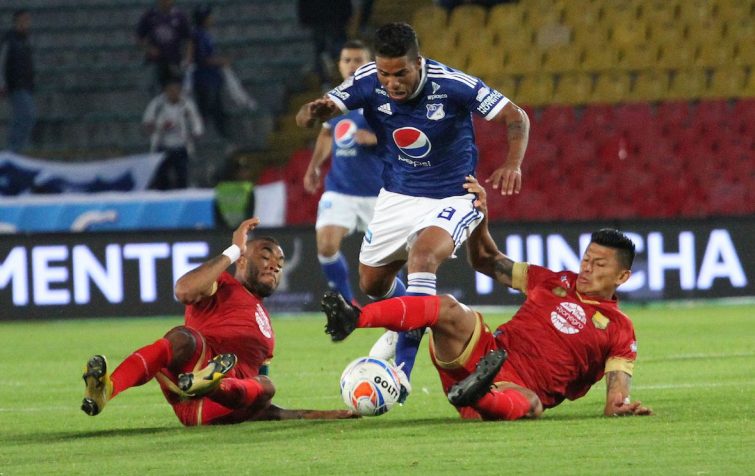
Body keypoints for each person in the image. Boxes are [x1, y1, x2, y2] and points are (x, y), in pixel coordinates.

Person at [296, 22, 530, 390]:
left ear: (418, 62)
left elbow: (516, 116)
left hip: (453, 194)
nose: (392, 83)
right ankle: (405, 315)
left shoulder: (453, 84)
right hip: (396, 196)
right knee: (373, 282)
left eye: (401, 73)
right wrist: (312, 113)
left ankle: (401, 374)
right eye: (385, 74)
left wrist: (512, 163)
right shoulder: (366, 80)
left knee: (423, 258)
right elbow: (313, 114)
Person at [321, 176, 653, 420]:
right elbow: (486, 260)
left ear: (622, 276)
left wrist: (623, 406)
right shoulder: (553, 281)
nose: (586, 268)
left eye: (599, 264)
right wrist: (479, 213)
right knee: (449, 307)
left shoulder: (619, 329)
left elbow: (616, 400)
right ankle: (356, 318)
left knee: (531, 405)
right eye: (586, 259)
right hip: (485, 354)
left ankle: (480, 395)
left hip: (518, 389)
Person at [82, 217, 357, 425]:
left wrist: (319, 414)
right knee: (183, 337)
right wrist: (234, 250)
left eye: (280, 263)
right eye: (265, 256)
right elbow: (184, 291)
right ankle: (107, 388)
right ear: (241, 261)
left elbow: (260, 403)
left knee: (266, 385)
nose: (274, 265)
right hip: (185, 383)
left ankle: (214, 383)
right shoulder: (220, 283)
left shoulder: (267, 328)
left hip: (219, 406)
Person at [303, 40, 392, 308]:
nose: (352, 65)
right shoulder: (335, 99)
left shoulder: (383, 96)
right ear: (340, 65)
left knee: (387, 262)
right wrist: (314, 166)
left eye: (358, 60)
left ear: (370, 65)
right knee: (326, 246)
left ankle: (396, 310)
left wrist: (376, 137)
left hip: (378, 192)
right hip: (340, 189)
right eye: (347, 60)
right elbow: (327, 133)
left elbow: (404, 136)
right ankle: (346, 302)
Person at [142, 75, 203, 190]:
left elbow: (196, 122)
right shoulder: (157, 104)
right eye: (171, 90)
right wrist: (161, 126)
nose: (174, 93)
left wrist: (195, 133)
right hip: (162, 145)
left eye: (177, 90)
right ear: (166, 91)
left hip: (181, 145)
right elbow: (147, 124)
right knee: (161, 177)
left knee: (182, 176)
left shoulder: (187, 104)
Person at [136, 0, 192, 94]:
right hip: (155, 61)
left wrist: (188, 57)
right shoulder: (149, 16)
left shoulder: (180, 16)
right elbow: (139, 37)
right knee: (155, 91)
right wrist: (148, 48)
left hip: (174, 61)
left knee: (175, 91)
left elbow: (189, 39)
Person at [191, 4, 229, 140]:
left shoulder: (204, 34)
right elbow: (202, 59)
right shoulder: (198, 35)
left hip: (211, 78)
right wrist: (220, 61)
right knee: (209, 109)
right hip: (205, 79)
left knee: (214, 109)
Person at [0, 9, 35, 153]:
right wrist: (1, 83)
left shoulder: (24, 41)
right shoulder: (9, 39)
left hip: (25, 85)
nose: (26, 23)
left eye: (28, 20)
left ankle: (15, 151)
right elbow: (1, 61)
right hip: (15, 85)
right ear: (16, 22)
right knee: (26, 116)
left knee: (25, 117)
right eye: (23, 20)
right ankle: (12, 151)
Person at [297, 0, 352, 91]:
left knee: (322, 50)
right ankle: (335, 78)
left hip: (319, 17)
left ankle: (326, 81)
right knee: (337, 49)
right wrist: (348, 14)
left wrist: (304, 18)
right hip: (335, 16)